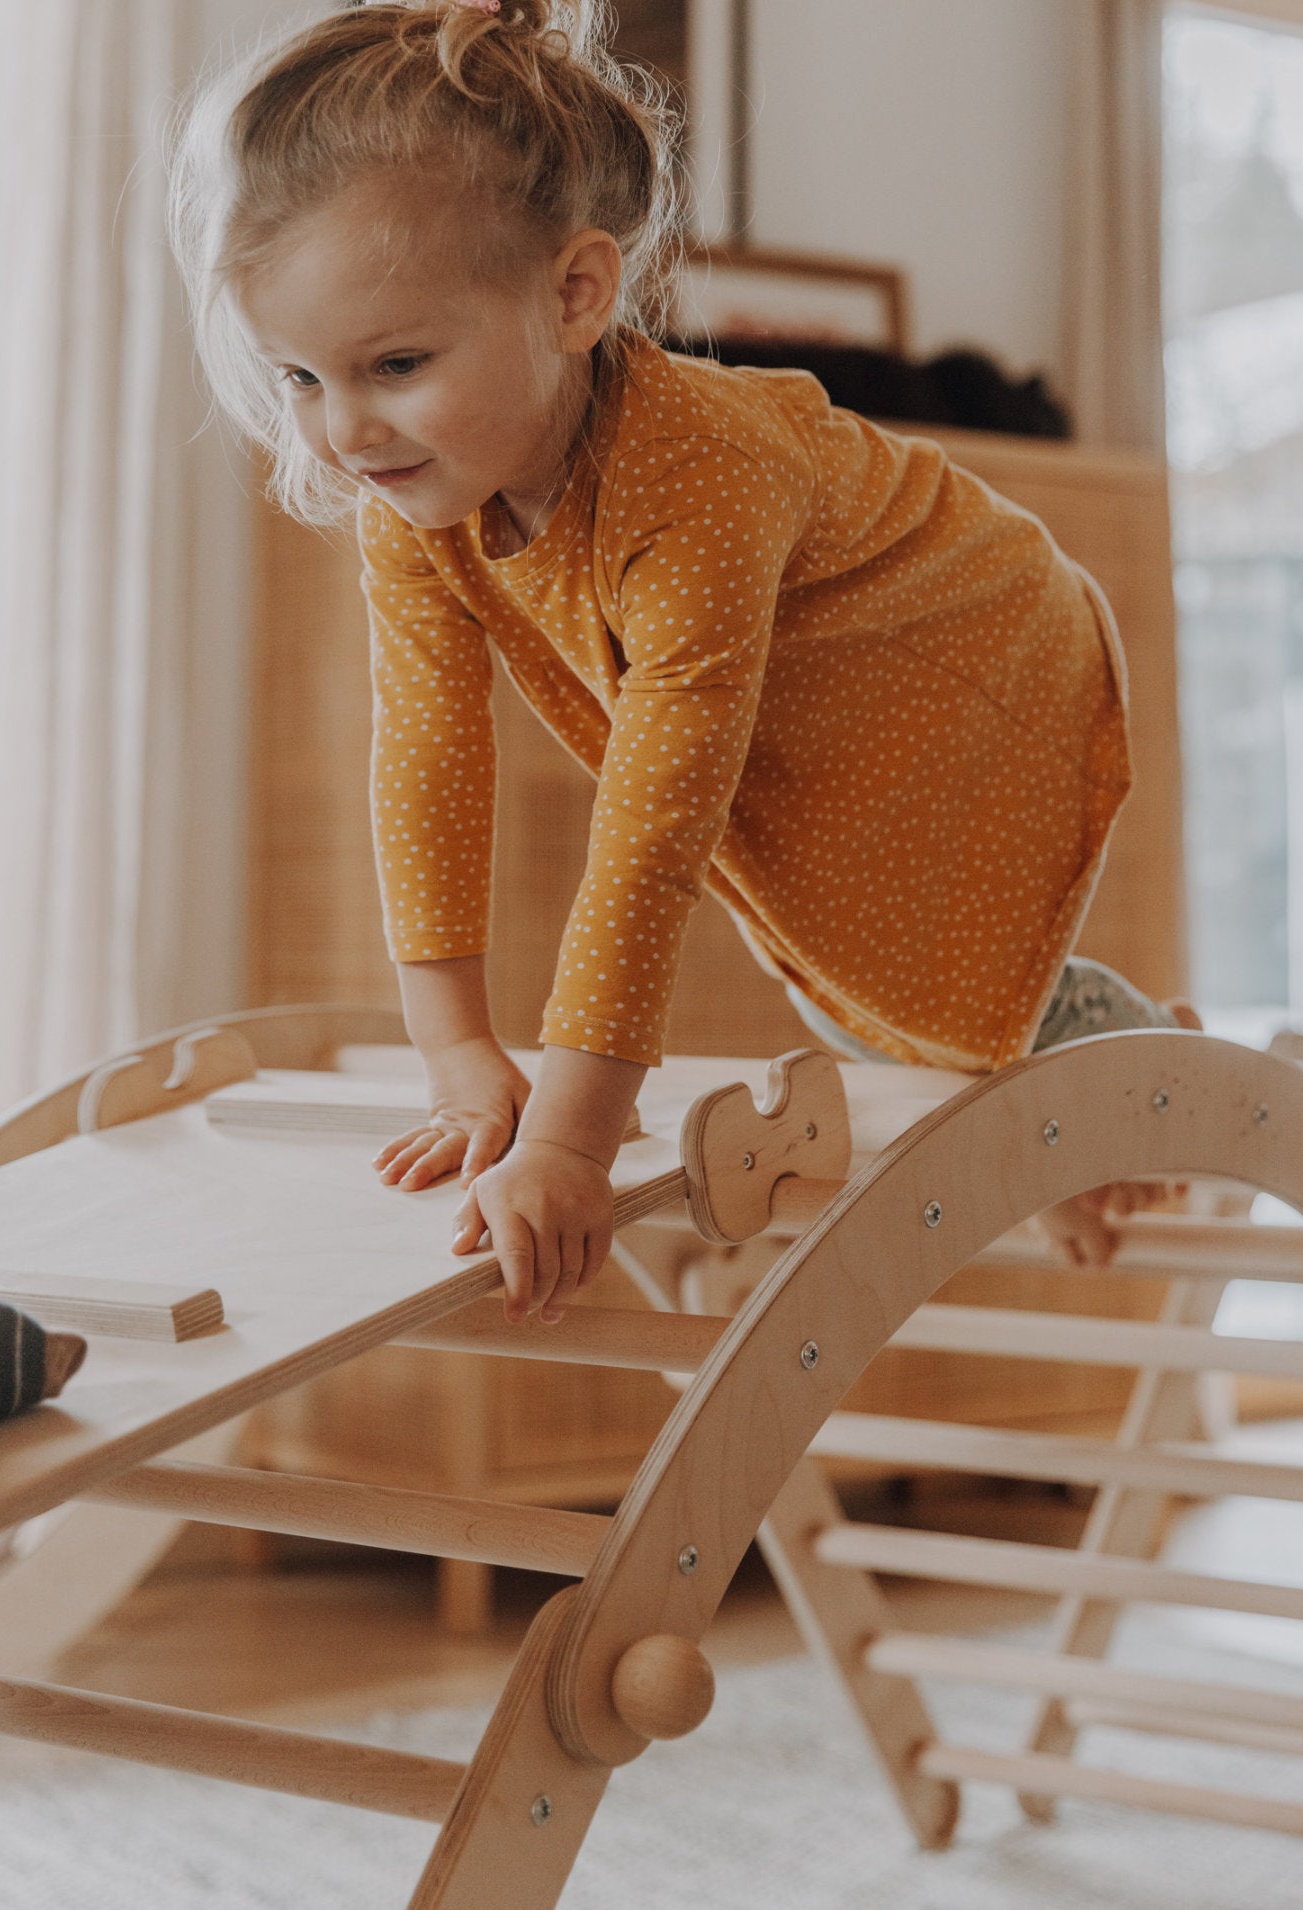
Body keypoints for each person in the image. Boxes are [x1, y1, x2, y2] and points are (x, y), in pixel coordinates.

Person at [168, 0, 1193, 1325]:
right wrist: (461, 1052)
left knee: (902, 977)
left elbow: (648, 839)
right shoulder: (416, 497)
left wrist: (571, 1144)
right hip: (824, 681)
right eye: (299, 376)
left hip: (968, 643)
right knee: (851, 985)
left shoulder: (695, 478)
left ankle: (1104, 1049)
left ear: (575, 292)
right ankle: (1077, 1069)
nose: (342, 429)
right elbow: (427, 755)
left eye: (396, 364)